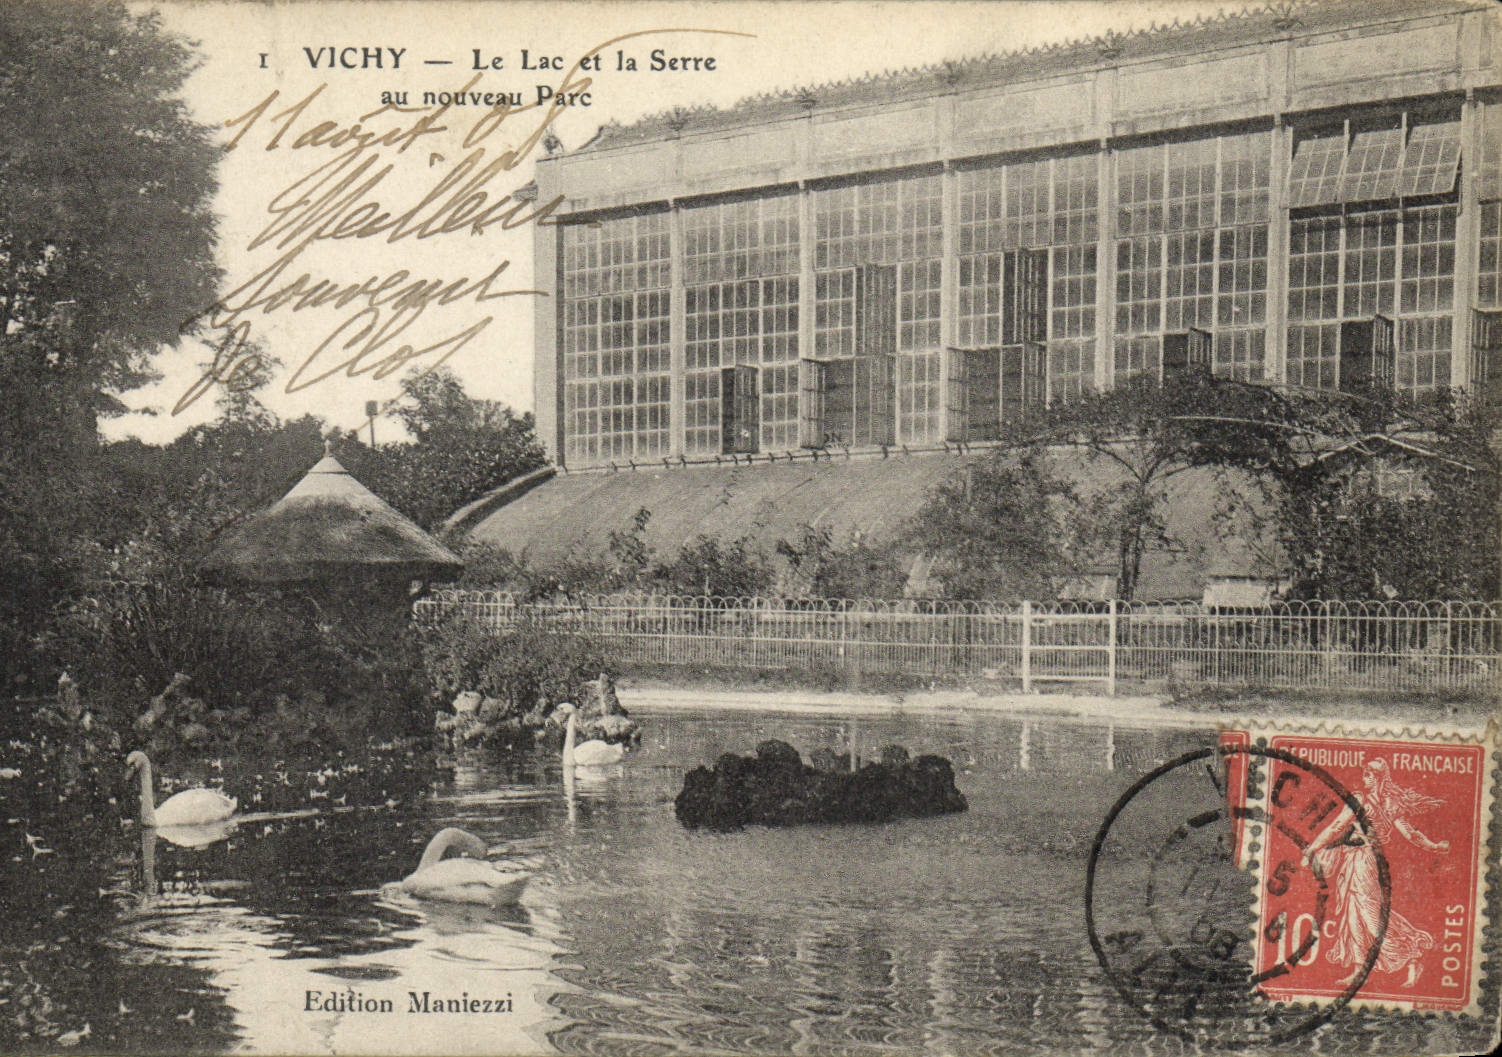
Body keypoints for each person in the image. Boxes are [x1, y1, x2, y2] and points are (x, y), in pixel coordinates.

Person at [1302, 758, 1449, 988]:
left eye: (1369, 775)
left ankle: (1412, 955)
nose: (1364, 779)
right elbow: (1336, 827)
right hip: (1351, 860)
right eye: (1364, 774)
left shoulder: (1384, 804)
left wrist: (1434, 846)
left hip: (1367, 861)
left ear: (1380, 777)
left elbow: (1410, 833)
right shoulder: (1364, 800)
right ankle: (1360, 970)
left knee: (1371, 917)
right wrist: (1312, 849)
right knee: (1353, 915)